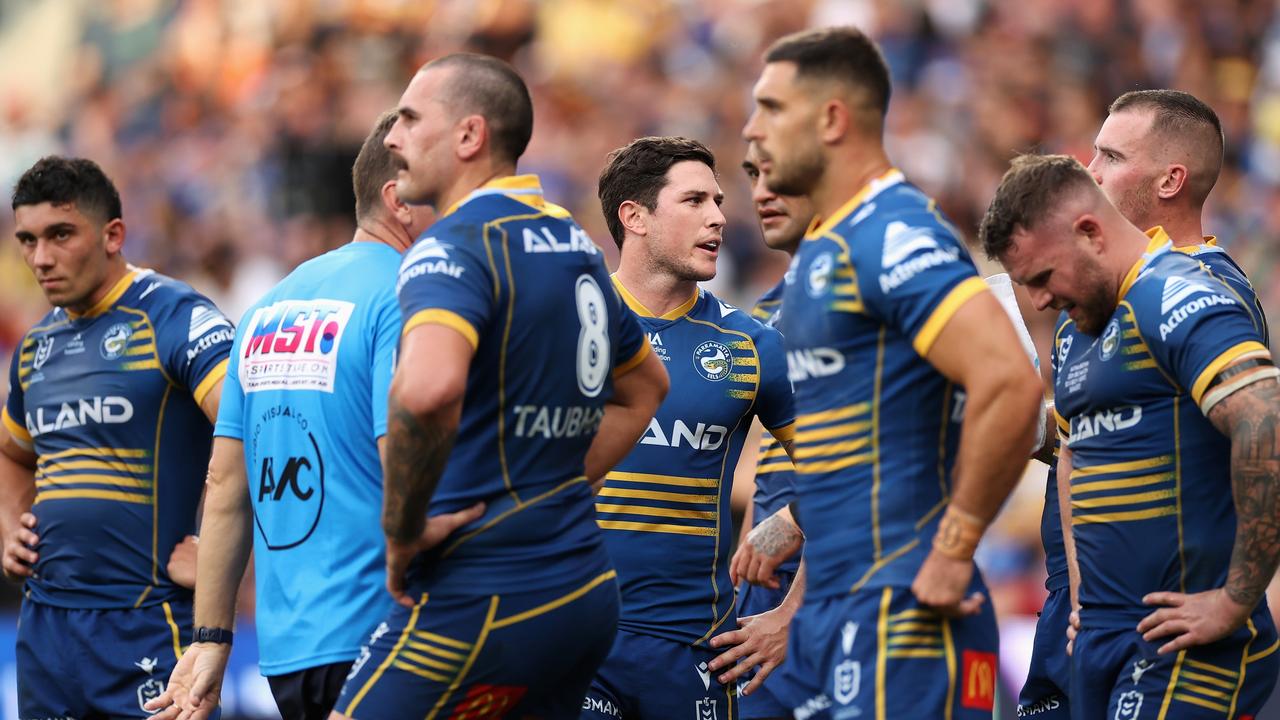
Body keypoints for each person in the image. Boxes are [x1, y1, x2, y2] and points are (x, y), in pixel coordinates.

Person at [342, 53, 663, 720]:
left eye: (408, 118)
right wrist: (557, 485)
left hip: (483, 592)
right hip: (584, 589)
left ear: (469, 136)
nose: (393, 138)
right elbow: (644, 388)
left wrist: (400, 530)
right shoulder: (571, 241)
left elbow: (425, 392)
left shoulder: (449, 247)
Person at [742, 27, 1043, 718]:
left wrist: (953, 547)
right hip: (839, 602)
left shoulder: (895, 232)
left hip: (905, 604)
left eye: (770, 108)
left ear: (832, 119)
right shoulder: (826, 248)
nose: (754, 131)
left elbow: (1010, 383)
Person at [143, 111, 447, 720]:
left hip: (289, 656)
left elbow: (226, 488)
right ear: (399, 201)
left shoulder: (266, 307)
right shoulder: (411, 293)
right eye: (449, 196)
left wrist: (211, 639)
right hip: (389, 639)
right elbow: (406, 463)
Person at [981, 153, 1280, 719]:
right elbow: (1072, 456)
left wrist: (1235, 599)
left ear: (1090, 232)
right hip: (1099, 637)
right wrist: (1081, 597)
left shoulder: (1177, 296)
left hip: (1181, 643)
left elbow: (1266, 421)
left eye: (1044, 278)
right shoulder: (1078, 325)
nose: (1041, 301)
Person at [0, 156, 234, 719]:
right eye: (27, 240)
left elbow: (255, 426)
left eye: (60, 235)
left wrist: (222, 553)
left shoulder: (173, 317)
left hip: (150, 626)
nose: (41, 258)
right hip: (47, 631)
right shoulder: (36, 347)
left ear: (113, 235)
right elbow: (11, 453)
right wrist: (9, 524)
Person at [579, 136, 796, 720]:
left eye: (719, 201)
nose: (720, 217)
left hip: (694, 652)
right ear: (635, 216)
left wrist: (789, 613)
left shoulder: (750, 345)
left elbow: (845, 472)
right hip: (575, 638)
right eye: (695, 200)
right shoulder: (563, 326)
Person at [705, 145, 814, 719]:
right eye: (754, 177)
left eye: (782, 177)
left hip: (828, 603)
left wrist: (793, 612)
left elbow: (877, 460)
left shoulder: (880, 291)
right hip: (763, 601)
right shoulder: (773, 312)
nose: (761, 193)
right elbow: (778, 453)